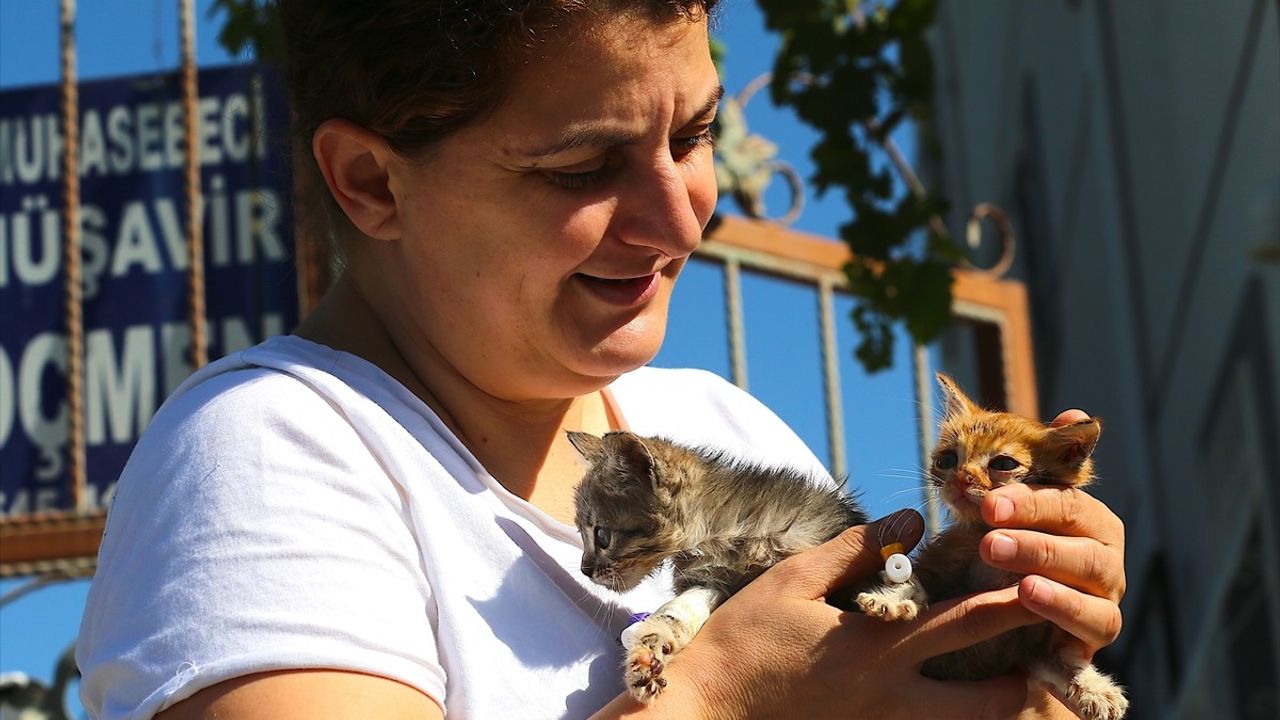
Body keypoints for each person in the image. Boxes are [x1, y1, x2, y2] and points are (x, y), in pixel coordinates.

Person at [76, 1, 1127, 718]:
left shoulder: (721, 426)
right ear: (371, 183)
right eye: (585, 164)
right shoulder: (269, 455)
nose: (677, 218)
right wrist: (715, 701)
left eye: (693, 134)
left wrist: (1002, 633)